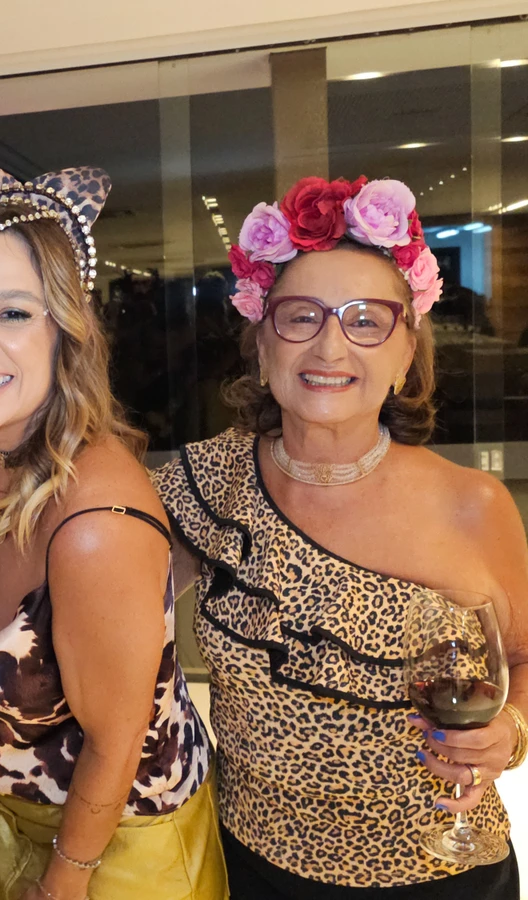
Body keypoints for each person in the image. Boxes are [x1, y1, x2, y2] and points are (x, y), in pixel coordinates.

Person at [152, 175, 526, 897]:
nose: (330, 345)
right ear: (262, 344)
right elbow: (96, 615)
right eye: (300, 317)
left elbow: (524, 654)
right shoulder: (203, 484)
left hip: (441, 870)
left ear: (406, 353)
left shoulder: (473, 504)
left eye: (365, 320)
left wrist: (509, 730)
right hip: (253, 865)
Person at [0, 157, 226, 900]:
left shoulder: (94, 523)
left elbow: (116, 743)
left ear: (67, 331)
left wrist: (63, 881)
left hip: (123, 839)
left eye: (13, 313)